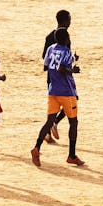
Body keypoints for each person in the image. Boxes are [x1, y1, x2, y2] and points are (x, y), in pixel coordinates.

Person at [31, 28, 85, 168]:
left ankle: (37, 147)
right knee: (73, 123)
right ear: (66, 39)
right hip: (66, 91)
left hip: (53, 90)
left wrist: (73, 59)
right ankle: (71, 155)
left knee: (49, 121)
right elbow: (62, 68)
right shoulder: (66, 50)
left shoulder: (51, 49)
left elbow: (46, 66)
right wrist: (73, 70)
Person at [42, 10, 72, 143]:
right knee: (70, 103)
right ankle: (54, 123)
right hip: (63, 78)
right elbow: (66, 59)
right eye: (69, 19)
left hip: (51, 77)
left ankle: (48, 131)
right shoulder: (66, 37)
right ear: (65, 20)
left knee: (53, 106)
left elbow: (45, 57)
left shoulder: (49, 36)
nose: (71, 21)